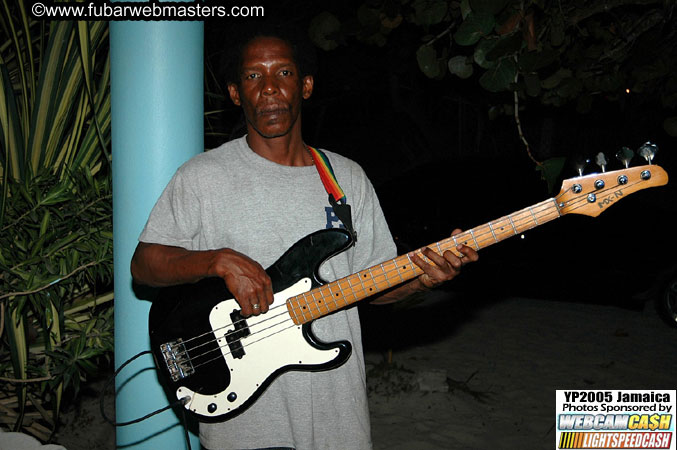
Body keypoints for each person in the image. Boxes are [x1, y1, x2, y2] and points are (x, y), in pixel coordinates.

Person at [130, 25, 478, 450]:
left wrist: (424, 279)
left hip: (338, 414)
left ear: (306, 85)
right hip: (245, 421)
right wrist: (216, 260)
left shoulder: (346, 178)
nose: (270, 88)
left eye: (284, 73)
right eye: (254, 76)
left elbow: (372, 286)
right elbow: (144, 264)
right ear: (236, 93)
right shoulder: (202, 177)